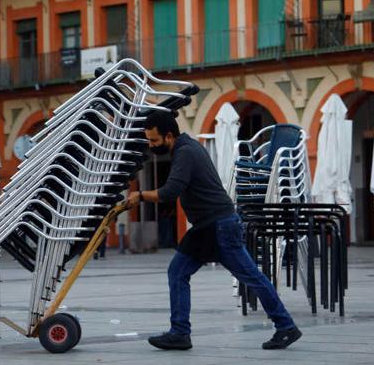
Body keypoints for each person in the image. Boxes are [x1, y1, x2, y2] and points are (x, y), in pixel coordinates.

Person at [125, 111, 301, 351]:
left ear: (168, 136)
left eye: (154, 141)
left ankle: (286, 326)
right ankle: (179, 333)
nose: (151, 145)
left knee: (251, 277)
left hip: (219, 225)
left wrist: (141, 195)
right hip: (207, 227)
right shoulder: (184, 148)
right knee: (178, 272)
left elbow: (171, 191)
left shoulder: (185, 152)